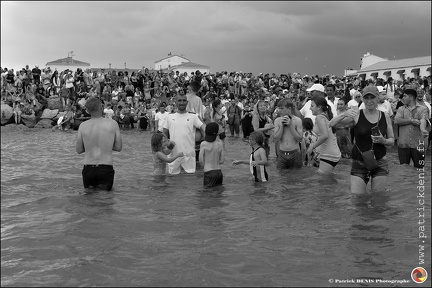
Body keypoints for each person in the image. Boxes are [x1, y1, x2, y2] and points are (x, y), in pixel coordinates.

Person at [329, 85, 394, 194]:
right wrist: (344, 114)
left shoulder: (385, 116)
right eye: (366, 98)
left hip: (380, 161)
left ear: (377, 98)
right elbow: (331, 124)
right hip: (359, 161)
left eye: (372, 97)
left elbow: (392, 141)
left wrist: (383, 140)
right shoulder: (357, 114)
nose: (369, 101)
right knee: (357, 200)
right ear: (362, 99)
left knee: (378, 199)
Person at [75, 97, 122, 191]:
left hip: (88, 168)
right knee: (104, 201)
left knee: (89, 201)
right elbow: (118, 147)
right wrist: (106, 145)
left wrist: (89, 145)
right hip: (106, 167)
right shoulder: (113, 124)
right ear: (101, 107)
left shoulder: (83, 126)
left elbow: (79, 150)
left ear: (87, 110)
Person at [163, 93, 205, 175]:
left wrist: (206, 140)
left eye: (184, 100)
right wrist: (167, 143)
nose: (182, 103)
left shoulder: (194, 116)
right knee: (173, 183)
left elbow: (204, 128)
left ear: (187, 102)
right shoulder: (169, 117)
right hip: (173, 156)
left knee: (189, 183)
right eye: (179, 100)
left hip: (189, 156)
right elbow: (164, 133)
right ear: (175, 102)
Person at [394, 87, 429, 168]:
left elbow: (423, 120)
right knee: (403, 170)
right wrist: (411, 121)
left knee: (420, 170)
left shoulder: (423, 109)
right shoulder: (401, 109)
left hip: (418, 145)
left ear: (411, 97)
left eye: (405, 96)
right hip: (403, 144)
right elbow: (396, 121)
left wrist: (423, 129)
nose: (403, 98)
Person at [307, 95, 341, 174]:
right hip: (331, 153)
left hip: (329, 154)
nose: (310, 108)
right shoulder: (325, 116)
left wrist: (312, 147)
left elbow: (325, 135)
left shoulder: (319, 117)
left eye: (312, 106)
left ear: (319, 107)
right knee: (326, 178)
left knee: (324, 181)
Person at [273, 99, 304, 169]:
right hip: (282, 153)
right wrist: (282, 127)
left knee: (296, 176)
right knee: (281, 176)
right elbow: (276, 138)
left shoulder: (297, 120)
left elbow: (299, 138)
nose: (279, 110)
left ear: (289, 109)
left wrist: (290, 126)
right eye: (279, 108)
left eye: (282, 108)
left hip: (295, 152)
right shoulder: (277, 121)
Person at [199, 122, 225, 187]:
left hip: (208, 172)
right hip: (219, 172)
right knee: (218, 193)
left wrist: (206, 165)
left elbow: (201, 161)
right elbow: (222, 161)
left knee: (208, 195)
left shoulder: (203, 144)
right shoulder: (220, 144)